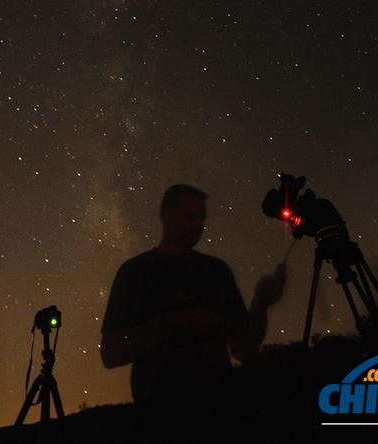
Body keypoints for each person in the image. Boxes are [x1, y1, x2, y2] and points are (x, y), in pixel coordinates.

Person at [99, 184, 287, 442]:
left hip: (220, 413)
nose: (198, 225)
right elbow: (110, 353)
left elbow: (243, 349)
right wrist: (172, 324)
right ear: (165, 214)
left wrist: (261, 303)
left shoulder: (216, 271)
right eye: (190, 216)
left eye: (201, 219)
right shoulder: (135, 273)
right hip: (160, 418)